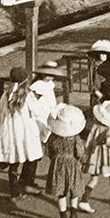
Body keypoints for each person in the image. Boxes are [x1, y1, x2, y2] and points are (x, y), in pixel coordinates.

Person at [0, 66, 43, 202]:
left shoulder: (5, 95)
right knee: (31, 157)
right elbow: (37, 112)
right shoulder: (28, 96)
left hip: (10, 133)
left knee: (14, 162)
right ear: (25, 81)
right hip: (26, 133)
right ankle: (26, 183)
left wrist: (5, 127)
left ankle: (14, 193)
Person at [25, 61, 66, 193]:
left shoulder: (47, 85)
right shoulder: (38, 87)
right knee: (34, 153)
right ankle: (26, 183)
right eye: (47, 74)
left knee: (37, 153)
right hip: (37, 122)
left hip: (45, 120)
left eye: (52, 75)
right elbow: (33, 105)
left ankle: (28, 181)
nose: (50, 77)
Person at [44, 104, 87, 218]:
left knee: (61, 191)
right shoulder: (74, 137)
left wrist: (55, 159)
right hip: (72, 163)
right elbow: (79, 152)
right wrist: (80, 159)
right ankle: (73, 213)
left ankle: (63, 217)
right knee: (74, 189)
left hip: (57, 164)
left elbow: (48, 151)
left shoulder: (53, 137)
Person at [78, 98, 110, 211]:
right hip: (107, 156)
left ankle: (85, 199)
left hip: (95, 156)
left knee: (94, 178)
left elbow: (89, 140)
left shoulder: (96, 125)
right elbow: (108, 139)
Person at [87, 40, 110, 107]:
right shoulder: (94, 65)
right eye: (101, 54)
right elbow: (92, 80)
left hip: (107, 87)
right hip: (98, 88)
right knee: (98, 99)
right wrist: (96, 91)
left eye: (105, 55)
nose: (103, 56)